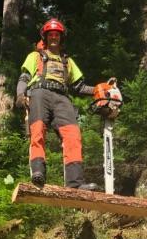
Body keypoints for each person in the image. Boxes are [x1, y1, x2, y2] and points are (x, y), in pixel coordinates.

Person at [15, 18, 100, 190]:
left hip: (62, 97)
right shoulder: (35, 56)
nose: (54, 37)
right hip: (39, 92)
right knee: (37, 130)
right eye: (50, 34)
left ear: (61, 38)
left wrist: (99, 89)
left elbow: (79, 86)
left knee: (73, 135)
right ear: (45, 37)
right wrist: (20, 94)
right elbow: (24, 77)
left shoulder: (67, 61)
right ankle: (38, 172)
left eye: (57, 35)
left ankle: (75, 183)